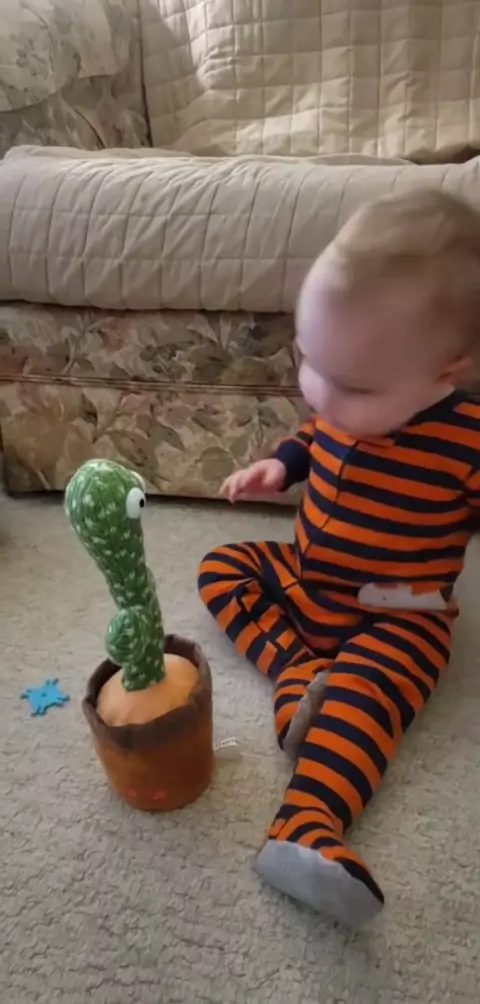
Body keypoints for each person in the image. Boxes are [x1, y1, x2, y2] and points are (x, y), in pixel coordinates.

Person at [198, 189, 480, 928]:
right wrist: (281, 465)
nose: (318, 393)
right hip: (306, 580)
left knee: (368, 698)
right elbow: (316, 436)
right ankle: (296, 672)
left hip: (398, 616)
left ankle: (307, 823)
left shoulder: (469, 442)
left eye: (348, 384)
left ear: (445, 372)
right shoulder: (347, 394)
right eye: (309, 359)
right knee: (220, 568)